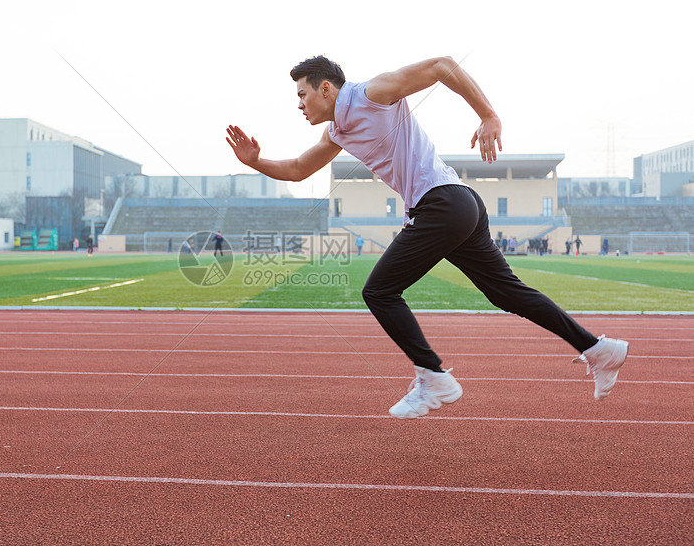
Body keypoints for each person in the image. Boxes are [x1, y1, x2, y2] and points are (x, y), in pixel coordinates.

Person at [226, 55, 628, 419]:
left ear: (325, 88)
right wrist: (256, 161)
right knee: (506, 293)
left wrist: (489, 116)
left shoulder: (373, 92)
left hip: (442, 203)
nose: (299, 104)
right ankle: (598, 349)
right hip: (459, 205)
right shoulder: (337, 132)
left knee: (379, 291)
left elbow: (442, 66)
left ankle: (434, 376)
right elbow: (298, 169)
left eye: (302, 94)